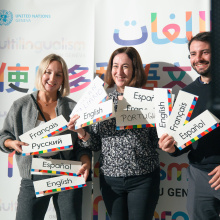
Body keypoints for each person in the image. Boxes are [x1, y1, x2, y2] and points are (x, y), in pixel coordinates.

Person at [68, 47, 160, 220]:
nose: (119, 72)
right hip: (111, 181)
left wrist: (166, 141)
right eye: (115, 66)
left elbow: (157, 140)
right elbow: (95, 144)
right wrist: (80, 131)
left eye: (125, 66)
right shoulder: (101, 103)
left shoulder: (149, 100)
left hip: (143, 179)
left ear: (134, 69)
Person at [0, 54, 91, 220]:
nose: (52, 78)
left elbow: (82, 145)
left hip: (66, 173)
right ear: (40, 73)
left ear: (63, 79)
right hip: (32, 175)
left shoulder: (72, 108)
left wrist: (86, 162)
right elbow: (4, 136)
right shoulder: (20, 106)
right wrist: (11, 143)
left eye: (58, 74)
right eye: (48, 72)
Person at [158, 31, 220, 220]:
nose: (198, 59)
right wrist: (170, 147)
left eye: (204, 52)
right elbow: (180, 145)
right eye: (193, 54)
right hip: (199, 176)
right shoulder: (186, 95)